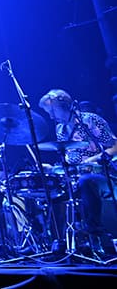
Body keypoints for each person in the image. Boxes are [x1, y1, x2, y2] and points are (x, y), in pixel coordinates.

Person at [38, 88, 117, 256]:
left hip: (102, 174)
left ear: (63, 105)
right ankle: (56, 241)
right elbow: (68, 157)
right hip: (75, 176)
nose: (51, 116)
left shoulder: (90, 121)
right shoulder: (61, 129)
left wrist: (91, 160)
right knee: (50, 188)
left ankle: (97, 237)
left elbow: (114, 146)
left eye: (52, 111)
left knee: (86, 182)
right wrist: (53, 169)